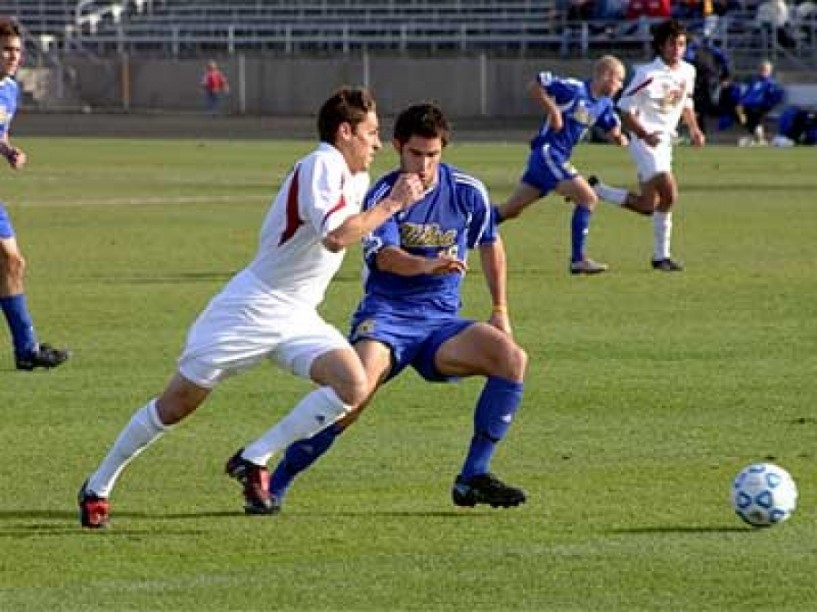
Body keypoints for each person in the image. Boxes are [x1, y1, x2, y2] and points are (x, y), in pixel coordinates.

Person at [77, 87, 424, 528]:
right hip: (250, 308)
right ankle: (98, 485)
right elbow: (336, 235)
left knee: (353, 384)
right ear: (344, 132)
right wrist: (394, 203)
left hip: (297, 313)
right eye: (371, 133)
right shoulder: (322, 163)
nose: (377, 143)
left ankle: (254, 457)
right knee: (176, 405)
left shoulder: (353, 177)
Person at [225, 102, 529, 514]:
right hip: (386, 319)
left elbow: (491, 243)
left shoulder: (466, 191)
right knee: (352, 397)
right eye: (416, 154)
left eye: (433, 155)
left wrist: (500, 309)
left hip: (441, 324)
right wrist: (429, 264)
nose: (424, 165)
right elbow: (386, 258)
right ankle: (275, 484)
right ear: (399, 147)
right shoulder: (385, 194)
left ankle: (472, 476)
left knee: (510, 359)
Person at [495, 55, 629, 275]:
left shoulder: (604, 104)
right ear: (606, 75)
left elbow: (612, 126)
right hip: (548, 153)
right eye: (619, 79)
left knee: (510, 210)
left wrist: (618, 137)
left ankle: (465, 231)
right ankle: (578, 259)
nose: (620, 85)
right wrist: (554, 110)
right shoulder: (574, 89)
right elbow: (536, 84)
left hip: (552, 159)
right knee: (588, 198)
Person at [590, 19, 705, 272]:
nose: (677, 49)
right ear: (661, 46)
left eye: (682, 44)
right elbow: (624, 109)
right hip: (644, 142)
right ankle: (661, 257)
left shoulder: (688, 71)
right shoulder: (647, 74)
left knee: (647, 205)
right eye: (672, 44)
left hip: (666, 142)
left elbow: (686, 103)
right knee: (670, 194)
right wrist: (644, 134)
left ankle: (599, 191)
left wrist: (694, 129)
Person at [0, 17, 70, 371]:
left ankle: (27, 351)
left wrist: (8, 150)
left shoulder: (10, 90)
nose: (13, 56)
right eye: (6, 50)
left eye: (16, 50)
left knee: (12, 262)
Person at [683, 35, 731, 136]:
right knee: (697, 108)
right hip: (699, 82)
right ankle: (699, 132)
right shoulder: (694, 50)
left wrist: (725, 76)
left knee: (703, 108)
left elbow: (725, 60)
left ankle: (702, 132)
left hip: (707, 82)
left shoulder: (707, 50)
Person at [736, 60, 785, 147]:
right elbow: (747, 93)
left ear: (770, 71)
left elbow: (776, 96)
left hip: (759, 106)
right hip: (746, 106)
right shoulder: (754, 81)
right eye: (762, 69)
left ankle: (758, 139)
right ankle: (758, 139)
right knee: (747, 120)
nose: (763, 71)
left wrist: (767, 103)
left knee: (755, 119)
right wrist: (741, 101)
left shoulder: (770, 83)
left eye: (765, 70)